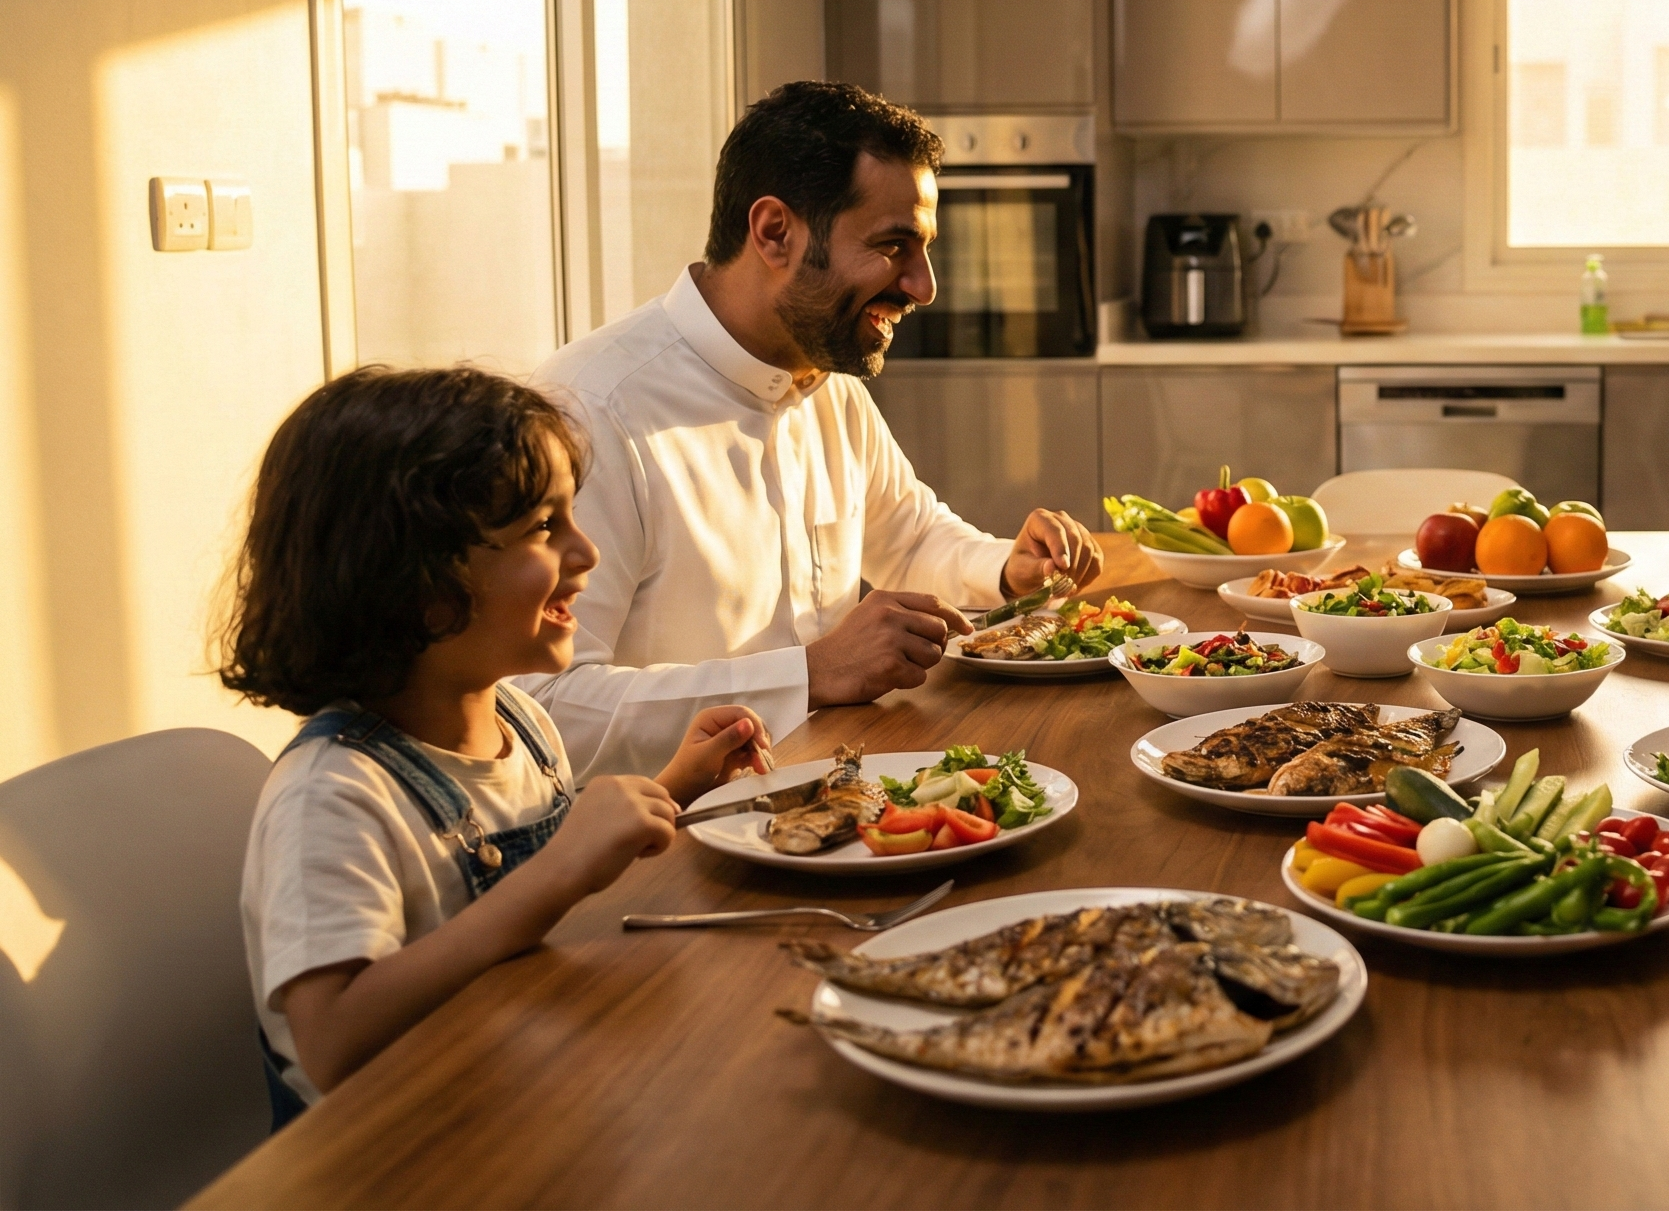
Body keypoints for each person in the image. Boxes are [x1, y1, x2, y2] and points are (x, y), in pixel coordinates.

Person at [222, 367, 772, 1122]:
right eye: (545, 528)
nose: (587, 553)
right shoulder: (331, 797)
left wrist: (673, 788)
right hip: (395, 1158)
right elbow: (334, 1041)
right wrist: (556, 874)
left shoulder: (520, 723)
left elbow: (552, 856)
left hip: (513, 1094)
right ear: (416, 580)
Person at [523, 81, 1103, 779]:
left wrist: (1007, 568)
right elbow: (542, 709)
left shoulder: (826, 379)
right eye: (894, 246)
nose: (924, 287)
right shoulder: (588, 412)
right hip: (670, 851)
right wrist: (807, 674)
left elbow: (909, 537)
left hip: (844, 793)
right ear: (774, 233)